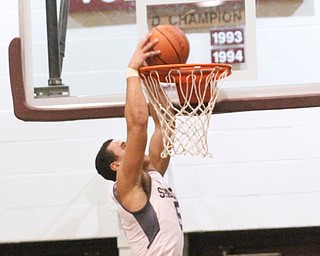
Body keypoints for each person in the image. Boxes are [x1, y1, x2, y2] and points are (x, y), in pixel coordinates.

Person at [95, 34, 184, 256]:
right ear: (116, 166)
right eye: (123, 146)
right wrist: (132, 72)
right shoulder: (126, 186)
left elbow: (165, 124)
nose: (131, 145)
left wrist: (150, 79)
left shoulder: (151, 174)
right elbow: (138, 125)